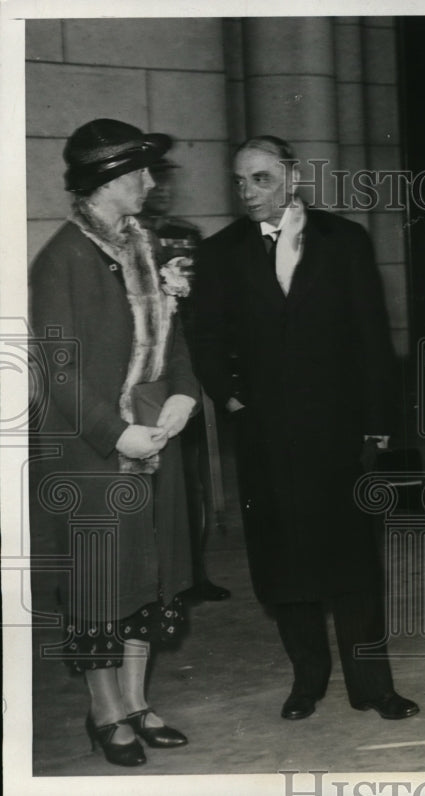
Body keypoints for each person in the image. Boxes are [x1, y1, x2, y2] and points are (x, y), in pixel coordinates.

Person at [188, 135, 418, 721]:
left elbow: (372, 339)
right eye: (240, 182)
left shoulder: (345, 241)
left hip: (339, 433)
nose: (249, 193)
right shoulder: (221, 253)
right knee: (282, 563)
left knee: (354, 564)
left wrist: (379, 427)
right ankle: (307, 679)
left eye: (261, 179)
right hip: (266, 436)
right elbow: (206, 341)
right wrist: (232, 399)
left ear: (293, 178)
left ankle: (372, 687)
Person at [30, 119, 199, 766]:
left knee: (149, 578)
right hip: (95, 450)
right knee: (102, 586)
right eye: (138, 175)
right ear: (105, 182)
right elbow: (58, 369)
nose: (151, 185)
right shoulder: (60, 260)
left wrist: (183, 395)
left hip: (157, 435)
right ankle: (104, 712)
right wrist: (118, 432)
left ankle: (136, 701)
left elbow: (176, 344)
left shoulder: (148, 247)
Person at [138, 157, 231, 602]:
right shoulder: (128, 242)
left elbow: (205, 303)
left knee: (190, 476)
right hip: (144, 377)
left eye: (168, 179)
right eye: (153, 180)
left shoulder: (187, 237)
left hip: (183, 369)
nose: (161, 188)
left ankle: (191, 574)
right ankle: (152, 579)